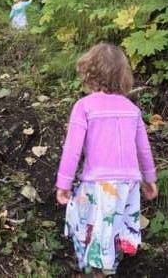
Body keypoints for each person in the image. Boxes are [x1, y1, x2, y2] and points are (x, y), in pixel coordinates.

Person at [56, 43, 158, 278]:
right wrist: (150, 179)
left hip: (98, 184)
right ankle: (111, 265)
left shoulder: (83, 107)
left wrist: (64, 183)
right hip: (128, 185)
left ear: (89, 73)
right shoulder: (132, 109)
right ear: (123, 76)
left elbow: (72, 150)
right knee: (115, 225)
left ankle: (97, 272)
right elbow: (144, 149)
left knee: (90, 224)